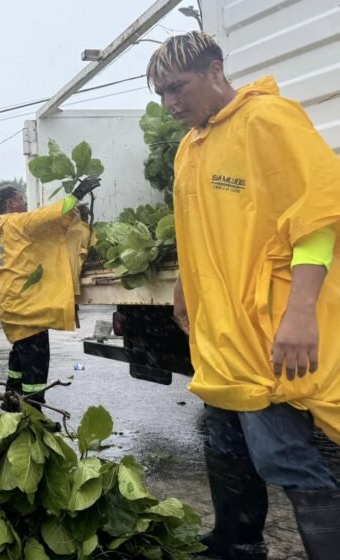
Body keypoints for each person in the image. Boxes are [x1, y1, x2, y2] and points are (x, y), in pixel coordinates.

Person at [148, 31, 340, 559]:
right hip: (220, 327)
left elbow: (318, 216)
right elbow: (192, 224)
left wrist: (301, 313)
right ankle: (238, 539)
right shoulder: (190, 147)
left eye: (177, 88)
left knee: (281, 451)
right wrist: (185, 288)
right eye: (161, 94)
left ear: (216, 72)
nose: (170, 103)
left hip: (268, 323)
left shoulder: (268, 120)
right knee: (224, 437)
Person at [0, 178, 99, 411]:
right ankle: (33, 411)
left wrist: (75, 214)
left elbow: (44, 232)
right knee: (36, 362)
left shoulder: (1, 229)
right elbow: (47, 216)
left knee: (20, 356)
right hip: (28, 308)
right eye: (21, 198)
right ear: (11, 203)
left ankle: (12, 399)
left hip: (11, 305)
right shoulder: (19, 221)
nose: (25, 201)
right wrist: (76, 194)